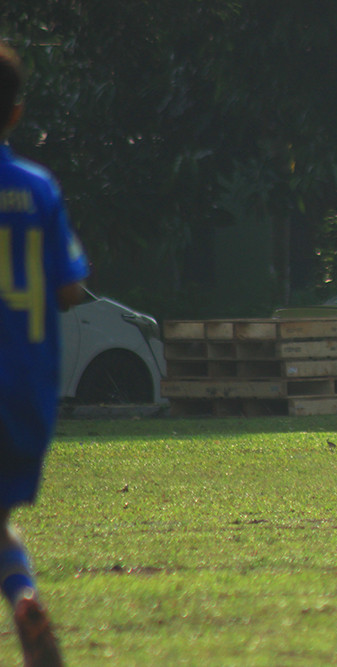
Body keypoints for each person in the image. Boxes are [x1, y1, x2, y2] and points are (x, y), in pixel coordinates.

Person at [1, 41, 89, 667]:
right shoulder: (38, 188)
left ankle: (22, 593)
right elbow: (69, 288)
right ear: (16, 112)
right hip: (28, 389)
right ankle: (23, 594)